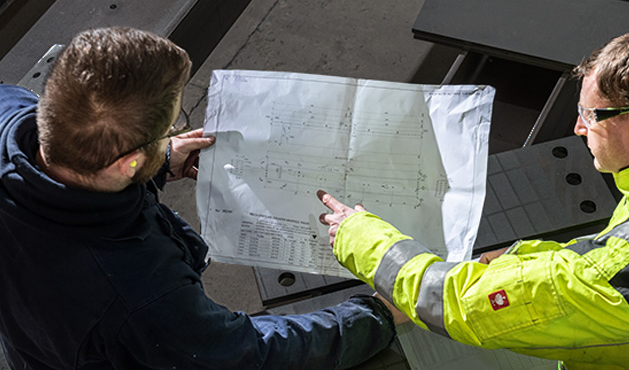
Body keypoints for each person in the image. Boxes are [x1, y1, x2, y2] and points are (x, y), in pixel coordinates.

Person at [318, 13, 629, 369]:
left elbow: (455, 302)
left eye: (589, 114)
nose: (577, 127)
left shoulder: (623, 277)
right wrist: (524, 258)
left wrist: (361, 237)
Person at [0, 27, 398, 369]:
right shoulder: (140, 291)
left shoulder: (9, 109)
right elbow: (246, 355)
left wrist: (159, 161)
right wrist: (376, 315)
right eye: (168, 128)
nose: (175, 131)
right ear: (126, 164)